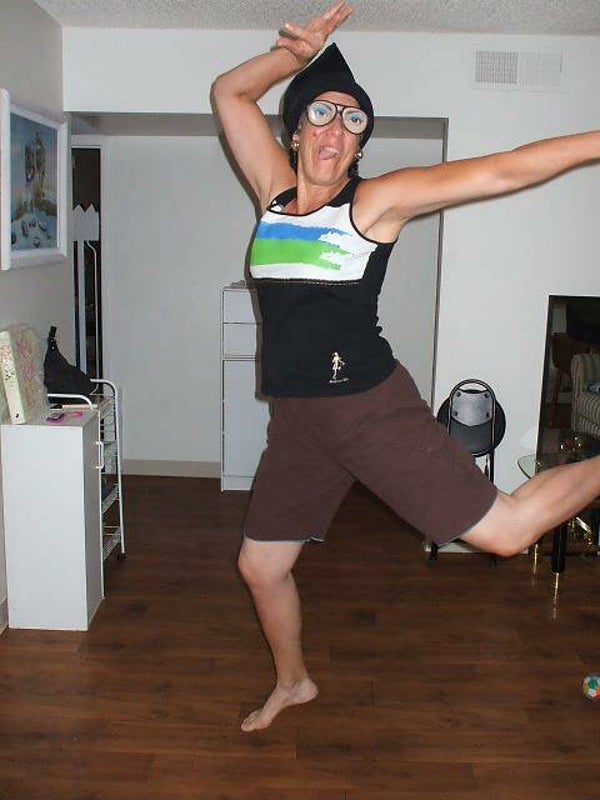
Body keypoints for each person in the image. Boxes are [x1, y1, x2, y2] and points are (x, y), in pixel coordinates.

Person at [211, 1, 600, 732]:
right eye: (322, 114)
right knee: (260, 566)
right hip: (298, 420)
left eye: (353, 121)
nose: (335, 131)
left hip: (369, 408)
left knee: (507, 534)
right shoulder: (273, 193)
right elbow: (228, 93)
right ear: (294, 129)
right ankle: (294, 683)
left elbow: (505, 170)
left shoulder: (375, 202)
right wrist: (292, 57)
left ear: (361, 145)